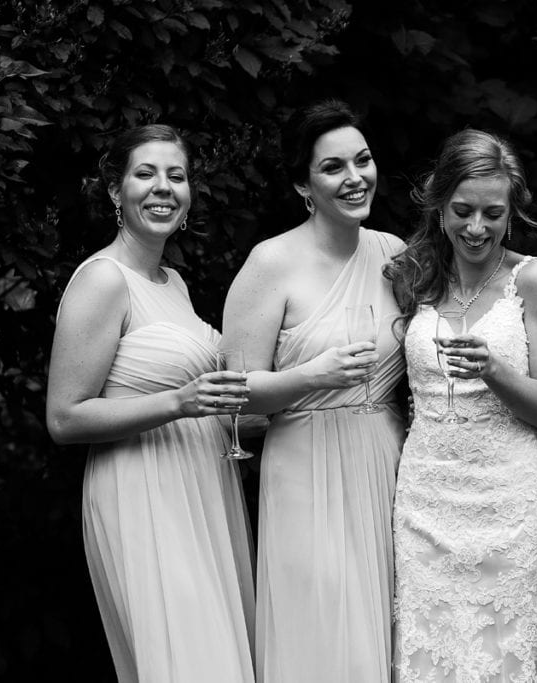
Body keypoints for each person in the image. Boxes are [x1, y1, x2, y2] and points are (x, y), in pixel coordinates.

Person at [46, 124, 256, 682]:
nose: (163, 187)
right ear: (116, 190)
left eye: (176, 176)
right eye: (146, 174)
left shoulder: (174, 283)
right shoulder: (103, 280)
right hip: (143, 492)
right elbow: (65, 417)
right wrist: (179, 402)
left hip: (201, 486)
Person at [220, 100, 405, 682]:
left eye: (363, 160)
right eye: (333, 167)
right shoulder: (271, 262)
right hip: (305, 464)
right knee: (323, 626)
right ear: (303, 184)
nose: (355, 178)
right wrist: (311, 376)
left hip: (388, 459)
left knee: (389, 624)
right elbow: (234, 392)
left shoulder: (395, 254)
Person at [384, 128, 537, 682]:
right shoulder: (412, 279)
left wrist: (495, 371)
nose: (477, 227)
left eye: (493, 213)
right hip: (426, 499)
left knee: (503, 657)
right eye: (462, 211)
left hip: (507, 502)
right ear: (439, 208)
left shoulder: (533, 280)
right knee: (429, 656)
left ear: (512, 213)